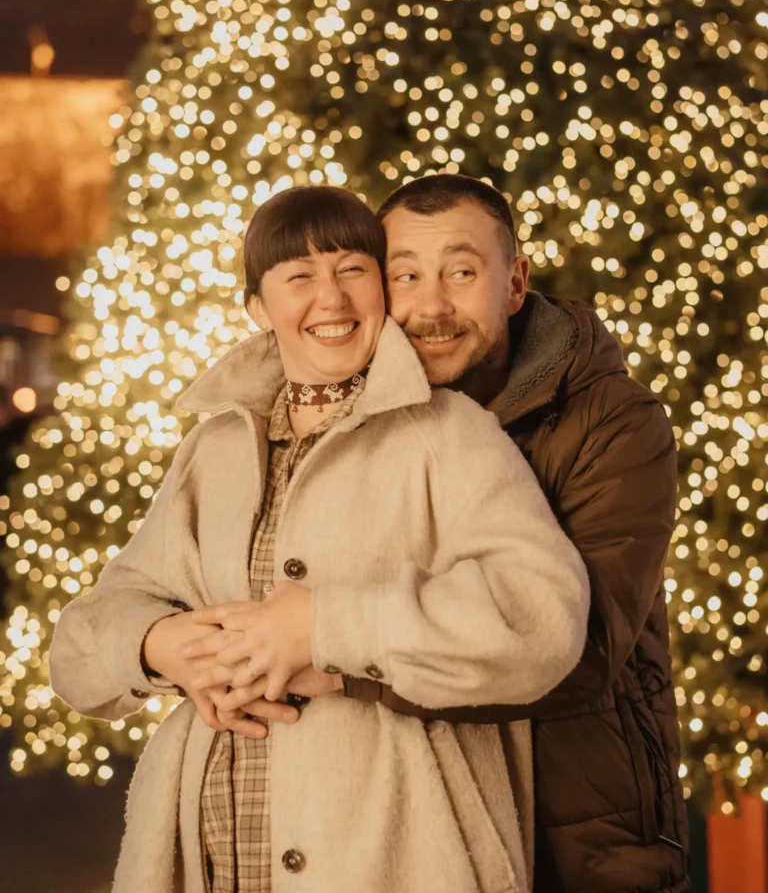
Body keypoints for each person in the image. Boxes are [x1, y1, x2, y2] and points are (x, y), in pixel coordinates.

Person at [49, 185, 589, 893]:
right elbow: (78, 651)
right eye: (299, 277)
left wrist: (324, 629)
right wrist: (158, 646)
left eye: (352, 270)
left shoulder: (449, 434)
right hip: (208, 860)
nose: (330, 298)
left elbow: (540, 618)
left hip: (393, 859)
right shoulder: (214, 449)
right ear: (257, 308)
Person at [207, 174, 688, 893]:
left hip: (581, 822)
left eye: (462, 274)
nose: (431, 307)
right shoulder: (347, 415)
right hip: (427, 821)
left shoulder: (613, 423)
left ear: (515, 283)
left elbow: (578, 650)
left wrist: (328, 656)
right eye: (405, 276)